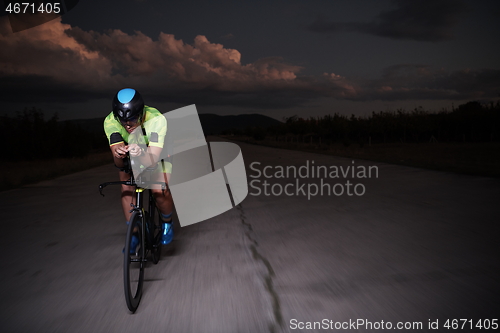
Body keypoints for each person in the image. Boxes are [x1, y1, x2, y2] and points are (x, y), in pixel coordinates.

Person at [103, 88, 173, 252]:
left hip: (157, 152)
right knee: (126, 188)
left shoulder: (155, 119)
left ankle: (167, 222)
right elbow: (119, 164)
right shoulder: (110, 121)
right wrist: (119, 153)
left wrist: (141, 153)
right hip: (133, 151)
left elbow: (153, 157)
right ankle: (134, 233)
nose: (128, 125)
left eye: (133, 119)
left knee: (159, 190)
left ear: (141, 113)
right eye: (123, 120)